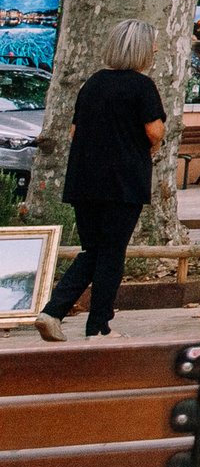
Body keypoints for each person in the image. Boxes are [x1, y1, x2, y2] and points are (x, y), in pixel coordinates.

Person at [36, 19, 166, 342]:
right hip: (124, 182)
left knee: (93, 250)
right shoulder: (142, 86)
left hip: (84, 181)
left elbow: (74, 131)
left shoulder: (92, 84)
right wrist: (149, 144)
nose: (156, 49)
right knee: (111, 254)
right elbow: (154, 131)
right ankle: (98, 327)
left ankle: (53, 312)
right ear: (140, 49)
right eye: (153, 44)